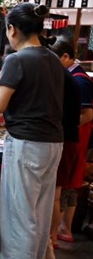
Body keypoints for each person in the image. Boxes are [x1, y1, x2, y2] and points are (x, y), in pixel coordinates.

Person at [0, 3, 64, 259]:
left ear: (12, 30)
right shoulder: (53, 59)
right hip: (52, 143)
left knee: (19, 215)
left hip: (27, 143)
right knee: (39, 214)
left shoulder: (18, 60)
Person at [50, 35, 93, 247]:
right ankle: (60, 231)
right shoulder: (72, 76)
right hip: (71, 138)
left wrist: (63, 125)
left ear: (66, 56)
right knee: (66, 186)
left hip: (73, 140)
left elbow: (87, 114)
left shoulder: (78, 79)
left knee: (63, 187)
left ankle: (58, 233)